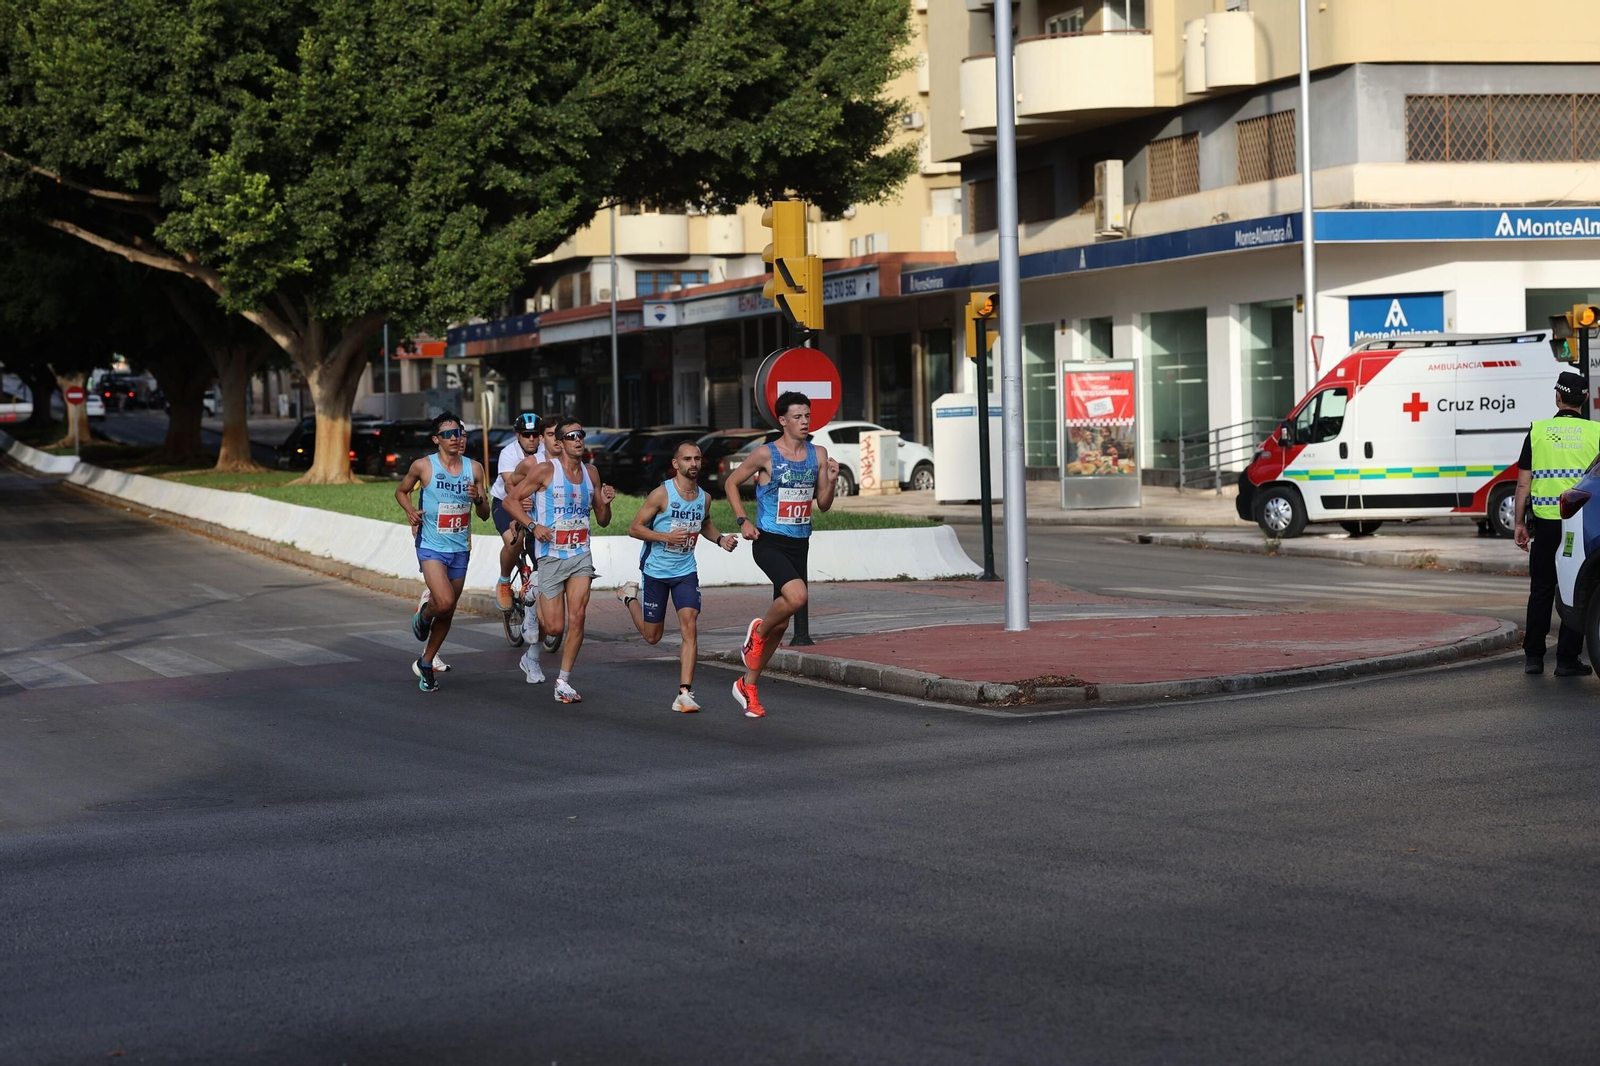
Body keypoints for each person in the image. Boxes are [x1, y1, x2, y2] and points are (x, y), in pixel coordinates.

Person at [723, 391, 839, 718]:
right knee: (797, 597)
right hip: (768, 540)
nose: (805, 421)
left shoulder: (818, 453)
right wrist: (743, 520)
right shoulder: (765, 454)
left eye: (808, 416)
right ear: (783, 420)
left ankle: (748, 685)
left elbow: (825, 504)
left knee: (782, 625)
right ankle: (755, 634)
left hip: (799, 543)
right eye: (798, 417)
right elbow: (732, 482)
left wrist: (830, 480)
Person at [616, 439, 740, 712]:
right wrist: (665, 536)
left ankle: (684, 693)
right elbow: (634, 528)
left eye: (697, 459)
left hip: (685, 571)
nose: (693, 464)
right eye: (687, 459)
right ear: (676, 464)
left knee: (690, 625)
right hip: (656, 571)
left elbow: (704, 523)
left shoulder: (704, 497)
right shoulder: (661, 494)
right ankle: (628, 598)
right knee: (652, 637)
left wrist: (720, 539)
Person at [502, 416, 616, 702]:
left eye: (581, 435)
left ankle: (563, 681)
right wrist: (531, 525)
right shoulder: (544, 470)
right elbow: (510, 500)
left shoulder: (591, 472)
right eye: (572, 436)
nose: (578, 440)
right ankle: (534, 593)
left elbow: (602, 521)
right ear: (561, 443)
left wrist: (605, 502)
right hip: (551, 556)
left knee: (578, 617)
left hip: (580, 554)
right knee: (554, 627)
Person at [395, 411, 491, 692]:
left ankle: (426, 663)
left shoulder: (474, 468)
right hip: (431, 546)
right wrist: (411, 511)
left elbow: (484, 513)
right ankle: (424, 615)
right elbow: (401, 491)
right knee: (445, 602)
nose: (455, 438)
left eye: (459, 432)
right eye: (448, 434)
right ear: (436, 439)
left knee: (448, 612)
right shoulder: (424, 466)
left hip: (460, 547)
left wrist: (479, 498)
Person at [1514, 370, 1600, 676]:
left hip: (1547, 524)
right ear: (1585, 399)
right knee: (1576, 589)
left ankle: (1534, 658)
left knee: (1541, 589)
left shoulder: (1537, 432)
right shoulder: (1597, 432)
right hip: (1580, 524)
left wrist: (1520, 523)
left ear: (1557, 397)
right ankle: (1566, 660)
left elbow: (1523, 485)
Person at [492, 412, 546, 612]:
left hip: (536, 504)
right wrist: (519, 500)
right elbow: (509, 484)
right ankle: (504, 581)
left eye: (535, 434)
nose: (531, 439)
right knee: (516, 539)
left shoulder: (546, 451)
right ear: (518, 436)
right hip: (505, 502)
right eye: (526, 435)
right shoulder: (508, 453)